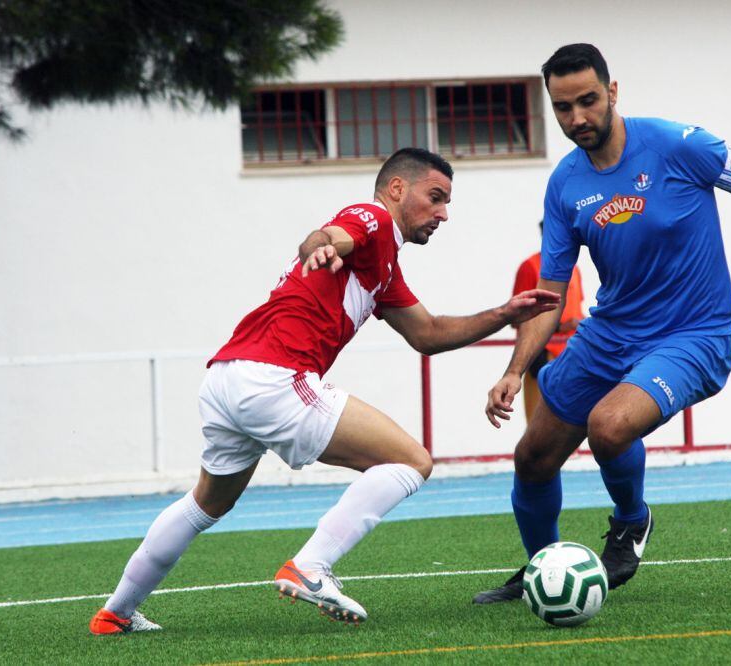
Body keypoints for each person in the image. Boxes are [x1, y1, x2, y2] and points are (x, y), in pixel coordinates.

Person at [88, 147, 559, 634]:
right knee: (411, 461)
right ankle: (310, 566)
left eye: (447, 203)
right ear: (397, 189)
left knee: (207, 503)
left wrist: (504, 313)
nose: (443, 213)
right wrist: (319, 244)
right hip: (275, 377)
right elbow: (333, 233)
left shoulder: (386, 268)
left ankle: (115, 613)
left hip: (228, 377)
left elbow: (429, 334)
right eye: (435, 197)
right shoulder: (373, 217)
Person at [473, 44, 731, 604]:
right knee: (532, 458)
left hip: (695, 334)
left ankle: (631, 520)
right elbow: (551, 293)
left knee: (609, 425)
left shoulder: (680, 145)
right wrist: (514, 370)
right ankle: (544, 570)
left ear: (612, 91)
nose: (577, 118)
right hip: (610, 332)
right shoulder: (564, 184)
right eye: (563, 108)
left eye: (587, 100)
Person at [512, 221, 585, 422]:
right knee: (539, 426)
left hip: (572, 356)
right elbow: (518, 318)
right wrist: (560, 328)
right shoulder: (530, 267)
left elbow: (577, 309)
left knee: (571, 425)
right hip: (543, 355)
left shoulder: (574, 269)